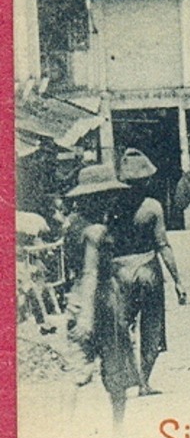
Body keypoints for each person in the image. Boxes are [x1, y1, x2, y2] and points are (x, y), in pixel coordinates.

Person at [63, 164, 142, 424]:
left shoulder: (73, 225)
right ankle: (118, 432)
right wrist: (88, 317)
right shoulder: (96, 232)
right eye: (107, 194)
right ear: (94, 197)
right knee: (115, 370)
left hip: (76, 299)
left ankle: (62, 429)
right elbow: (91, 273)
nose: (112, 199)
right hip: (101, 302)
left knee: (76, 371)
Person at [106, 150, 185, 398]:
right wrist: (178, 280)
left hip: (119, 271)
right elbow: (162, 244)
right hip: (148, 268)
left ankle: (123, 378)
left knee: (121, 327)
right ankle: (144, 382)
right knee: (151, 326)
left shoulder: (111, 208)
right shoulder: (152, 207)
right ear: (147, 179)